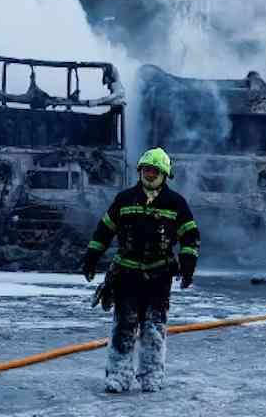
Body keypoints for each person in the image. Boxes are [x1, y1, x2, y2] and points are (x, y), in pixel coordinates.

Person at [82, 147, 200, 393]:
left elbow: (190, 236)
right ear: (140, 171)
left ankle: (151, 376)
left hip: (159, 277)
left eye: (154, 171)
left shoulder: (175, 203)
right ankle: (118, 376)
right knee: (124, 326)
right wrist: (92, 257)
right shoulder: (125, 200)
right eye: (146, 170)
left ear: (164, 174)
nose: (149, 174)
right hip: (126, 276)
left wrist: (188, 265)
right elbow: (104, 230)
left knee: (153, 328)